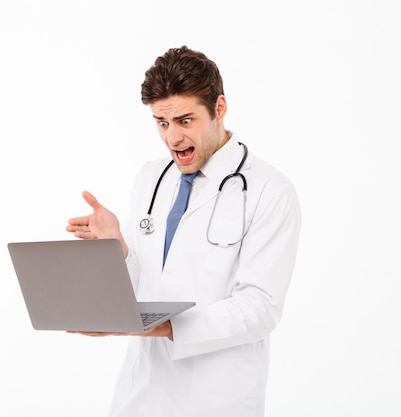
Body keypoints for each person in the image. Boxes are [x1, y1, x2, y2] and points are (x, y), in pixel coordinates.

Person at [65, 46, 301, 417]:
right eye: (162, 122)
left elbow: (260, 309)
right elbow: (143, 285)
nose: (172, 138)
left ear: (219, 109)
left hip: (217, 397)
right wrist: (119, 250)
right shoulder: (150, 178)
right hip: (141, 394)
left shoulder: (270, 191)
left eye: (185, 121)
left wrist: (162, 328)